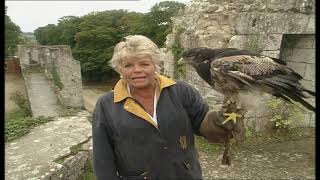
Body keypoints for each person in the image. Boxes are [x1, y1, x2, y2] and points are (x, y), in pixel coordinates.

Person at [92, 35, 240, 180]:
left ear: (155, 65)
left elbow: (202, 123)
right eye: (128, 65)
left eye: (144, 64)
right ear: (119, 69)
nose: (136, 70)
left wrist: (218, 121)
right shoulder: (106, 105)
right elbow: (102, 158)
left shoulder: (181, 91)